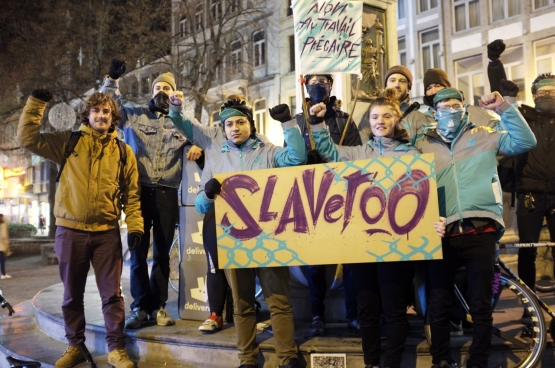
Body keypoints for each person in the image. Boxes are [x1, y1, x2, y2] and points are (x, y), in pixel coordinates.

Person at [308, 88, 446, 368]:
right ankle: (371, 363)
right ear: (368, 122)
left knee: (394, 310)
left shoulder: (411, 154)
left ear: (397, 120)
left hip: (397, 247)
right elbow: (328, 151)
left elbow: (424, 196)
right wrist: (318, 124)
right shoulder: (359, 152)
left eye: (386, 116)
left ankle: (391, 363)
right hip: (363, 247)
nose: (379, 121)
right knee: (367, 309)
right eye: (374, 117)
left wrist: (437, 218)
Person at [168, 93, 306, 368]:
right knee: (242, 305)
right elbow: (200, 206)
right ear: (224, 129)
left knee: (278, 301)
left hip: (268, 241)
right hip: (233, 242)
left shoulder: (267, 151)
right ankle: (247, 358)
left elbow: (297, 159)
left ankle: (288, 357)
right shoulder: (217, 157)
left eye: (241, 122)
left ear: (250, 125)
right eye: (229, 125)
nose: (235, 128)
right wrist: (207, 194)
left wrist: (289, 124)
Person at [18, 89, 143, 368]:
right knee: (71, 294)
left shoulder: (124, 152)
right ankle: (74, 345)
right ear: (88, 114)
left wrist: (135, 227)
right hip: (70, 231)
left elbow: (132, 196)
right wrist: (36, 105)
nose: (101, 115)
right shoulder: (68, 141)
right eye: (96, 111)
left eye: (106, 112)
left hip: (106, 233)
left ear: (113, 117)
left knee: (112, 295)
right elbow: (27, 139)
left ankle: (116, 349)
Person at [415, 88, 536, 368]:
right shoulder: (422, 145)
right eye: (444, 106)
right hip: (441, 232)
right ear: (435, 113)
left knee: (481, 305)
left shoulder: (483, 134)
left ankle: (478, 362)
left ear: (465, 109)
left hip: (480, 229)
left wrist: (504, 107)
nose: (451, 111)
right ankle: (441, 360)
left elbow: (525, 140)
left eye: (456, 105)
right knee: (440, 304)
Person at [101, 59, 202, 328]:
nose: (160, 91)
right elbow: (111, 108)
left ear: (174, 94)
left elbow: (205, 139)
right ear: (150, 92)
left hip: (169, 193)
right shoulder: (134, 115)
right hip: (139, 192)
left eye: (166, 88)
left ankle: (158, 306)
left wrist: (197, 148)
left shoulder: (183, 122)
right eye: (156, 87)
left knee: (161, 254)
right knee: (137, 252)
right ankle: (139, 306)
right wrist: (112, 80)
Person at [295, 73, 361, 337]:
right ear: (306, 86)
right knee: (314, 261)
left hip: (343, 195)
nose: (318, 85)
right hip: (313, 196)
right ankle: (316, 314)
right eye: (313, 81)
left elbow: (355, 153)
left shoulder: (345, 119)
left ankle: (353, 314)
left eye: (323, 80)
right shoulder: (300, 120)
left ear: (331, 86)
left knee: (351, 259)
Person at [487, 40, 555, 298]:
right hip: (529, 195)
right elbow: (502, 98)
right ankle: (530, 304)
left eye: (553, 91)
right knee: (527, 250)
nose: (548, 95)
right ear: (534, 95)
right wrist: (495, 65)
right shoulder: (524, 117)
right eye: (542, 91)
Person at [358, 65, 435, 144]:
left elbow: (423, 150)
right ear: (386, 85)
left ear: (408, 87)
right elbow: (363, 146)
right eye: (392, 80)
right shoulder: (369, 116)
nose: (397, 85)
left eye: (402, 81)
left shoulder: (419, 118)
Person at [422, 68, 500, 129]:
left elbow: (503, 134)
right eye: (428, 88)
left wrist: (502, 107)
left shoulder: (473, 112)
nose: (433, 91)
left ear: (448, 87)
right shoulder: (422, 120)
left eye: (437, 86)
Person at [0, 214, 11, 280]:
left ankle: (3, 274)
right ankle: (3, 274)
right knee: (2, 261)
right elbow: (4, 236)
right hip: (1, 246)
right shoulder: (3, 225)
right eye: (3, 217)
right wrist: (6, 244)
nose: (4, 218)